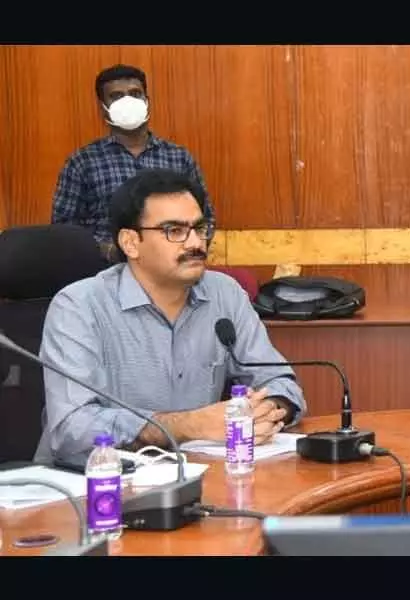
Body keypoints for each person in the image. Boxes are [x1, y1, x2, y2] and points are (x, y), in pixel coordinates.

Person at [35, 168, 303, 464]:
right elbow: (73, 428)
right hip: (91, 485)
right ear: (130, 243)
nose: (195, 244)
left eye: (200, 229)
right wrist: (190, 426)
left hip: (197, 476)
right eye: (174, 231)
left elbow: (281, 382)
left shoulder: (225, 294)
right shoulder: (78, 307)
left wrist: (264, 412)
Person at [50, 64, 214, 260]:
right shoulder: (82, 162)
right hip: (105, 272)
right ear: (103, 108)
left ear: (147, 102)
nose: (128, 102)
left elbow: (206, 219)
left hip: (171, 266)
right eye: (117, 96)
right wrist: (110, 251)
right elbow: (64, 231)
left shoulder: (179, 158)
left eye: (135, 94)